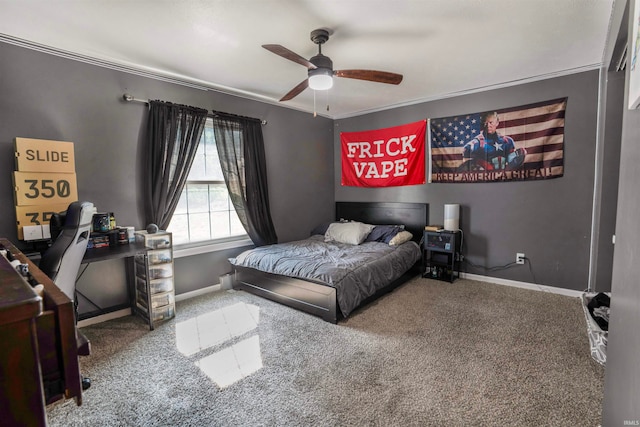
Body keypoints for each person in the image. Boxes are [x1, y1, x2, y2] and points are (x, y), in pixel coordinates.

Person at [461, 111, 526, 170]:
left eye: (490, 122)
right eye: (485, 123)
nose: (488, 126)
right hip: (485, 175)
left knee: (521, 152)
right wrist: (481, 162)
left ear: (497, 123)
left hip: (505, 174)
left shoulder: (507, 141)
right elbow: (466, 152)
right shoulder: (477, 142)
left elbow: (511, 159)